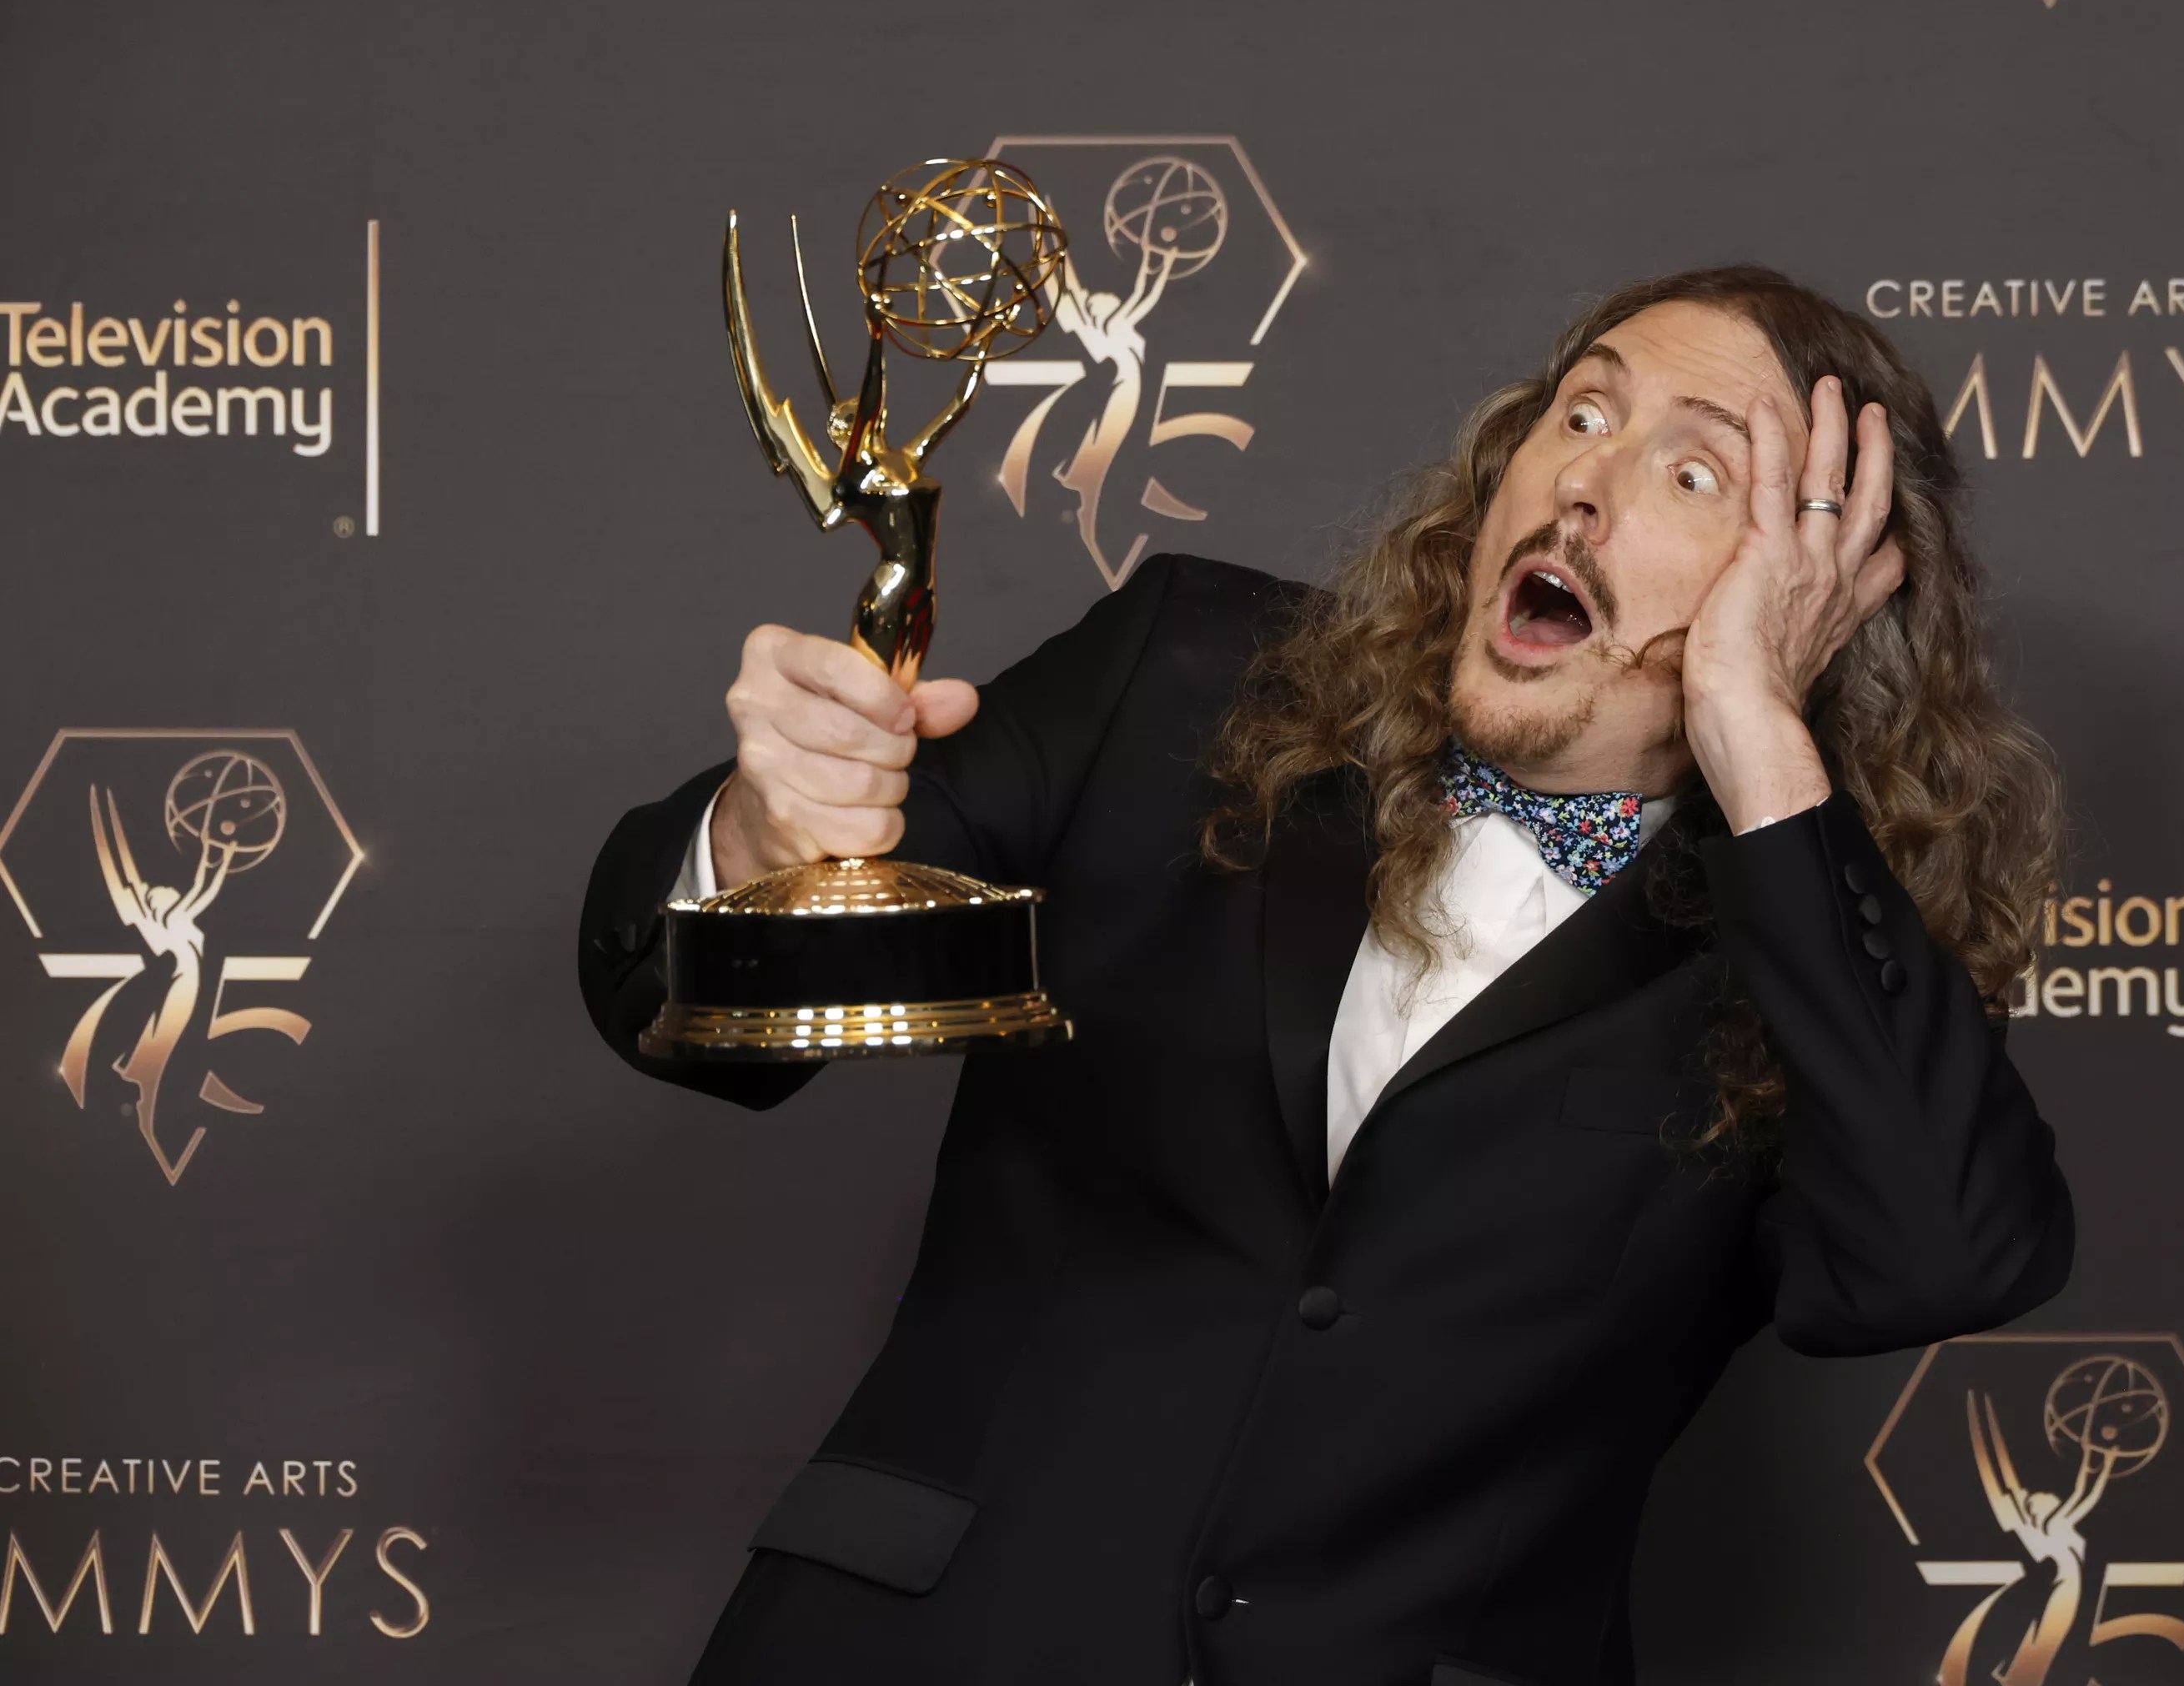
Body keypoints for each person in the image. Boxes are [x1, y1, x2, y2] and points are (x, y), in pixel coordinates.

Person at [577, 265, 2075, 1686]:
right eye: (1585, 412)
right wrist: (764, 836)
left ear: (1813, 596)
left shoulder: (1816, 967)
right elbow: (707, 1029)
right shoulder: (1183, 672)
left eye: (1693, 475)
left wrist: (1756, 725)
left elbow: (1943, 1257)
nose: (1586, 482)